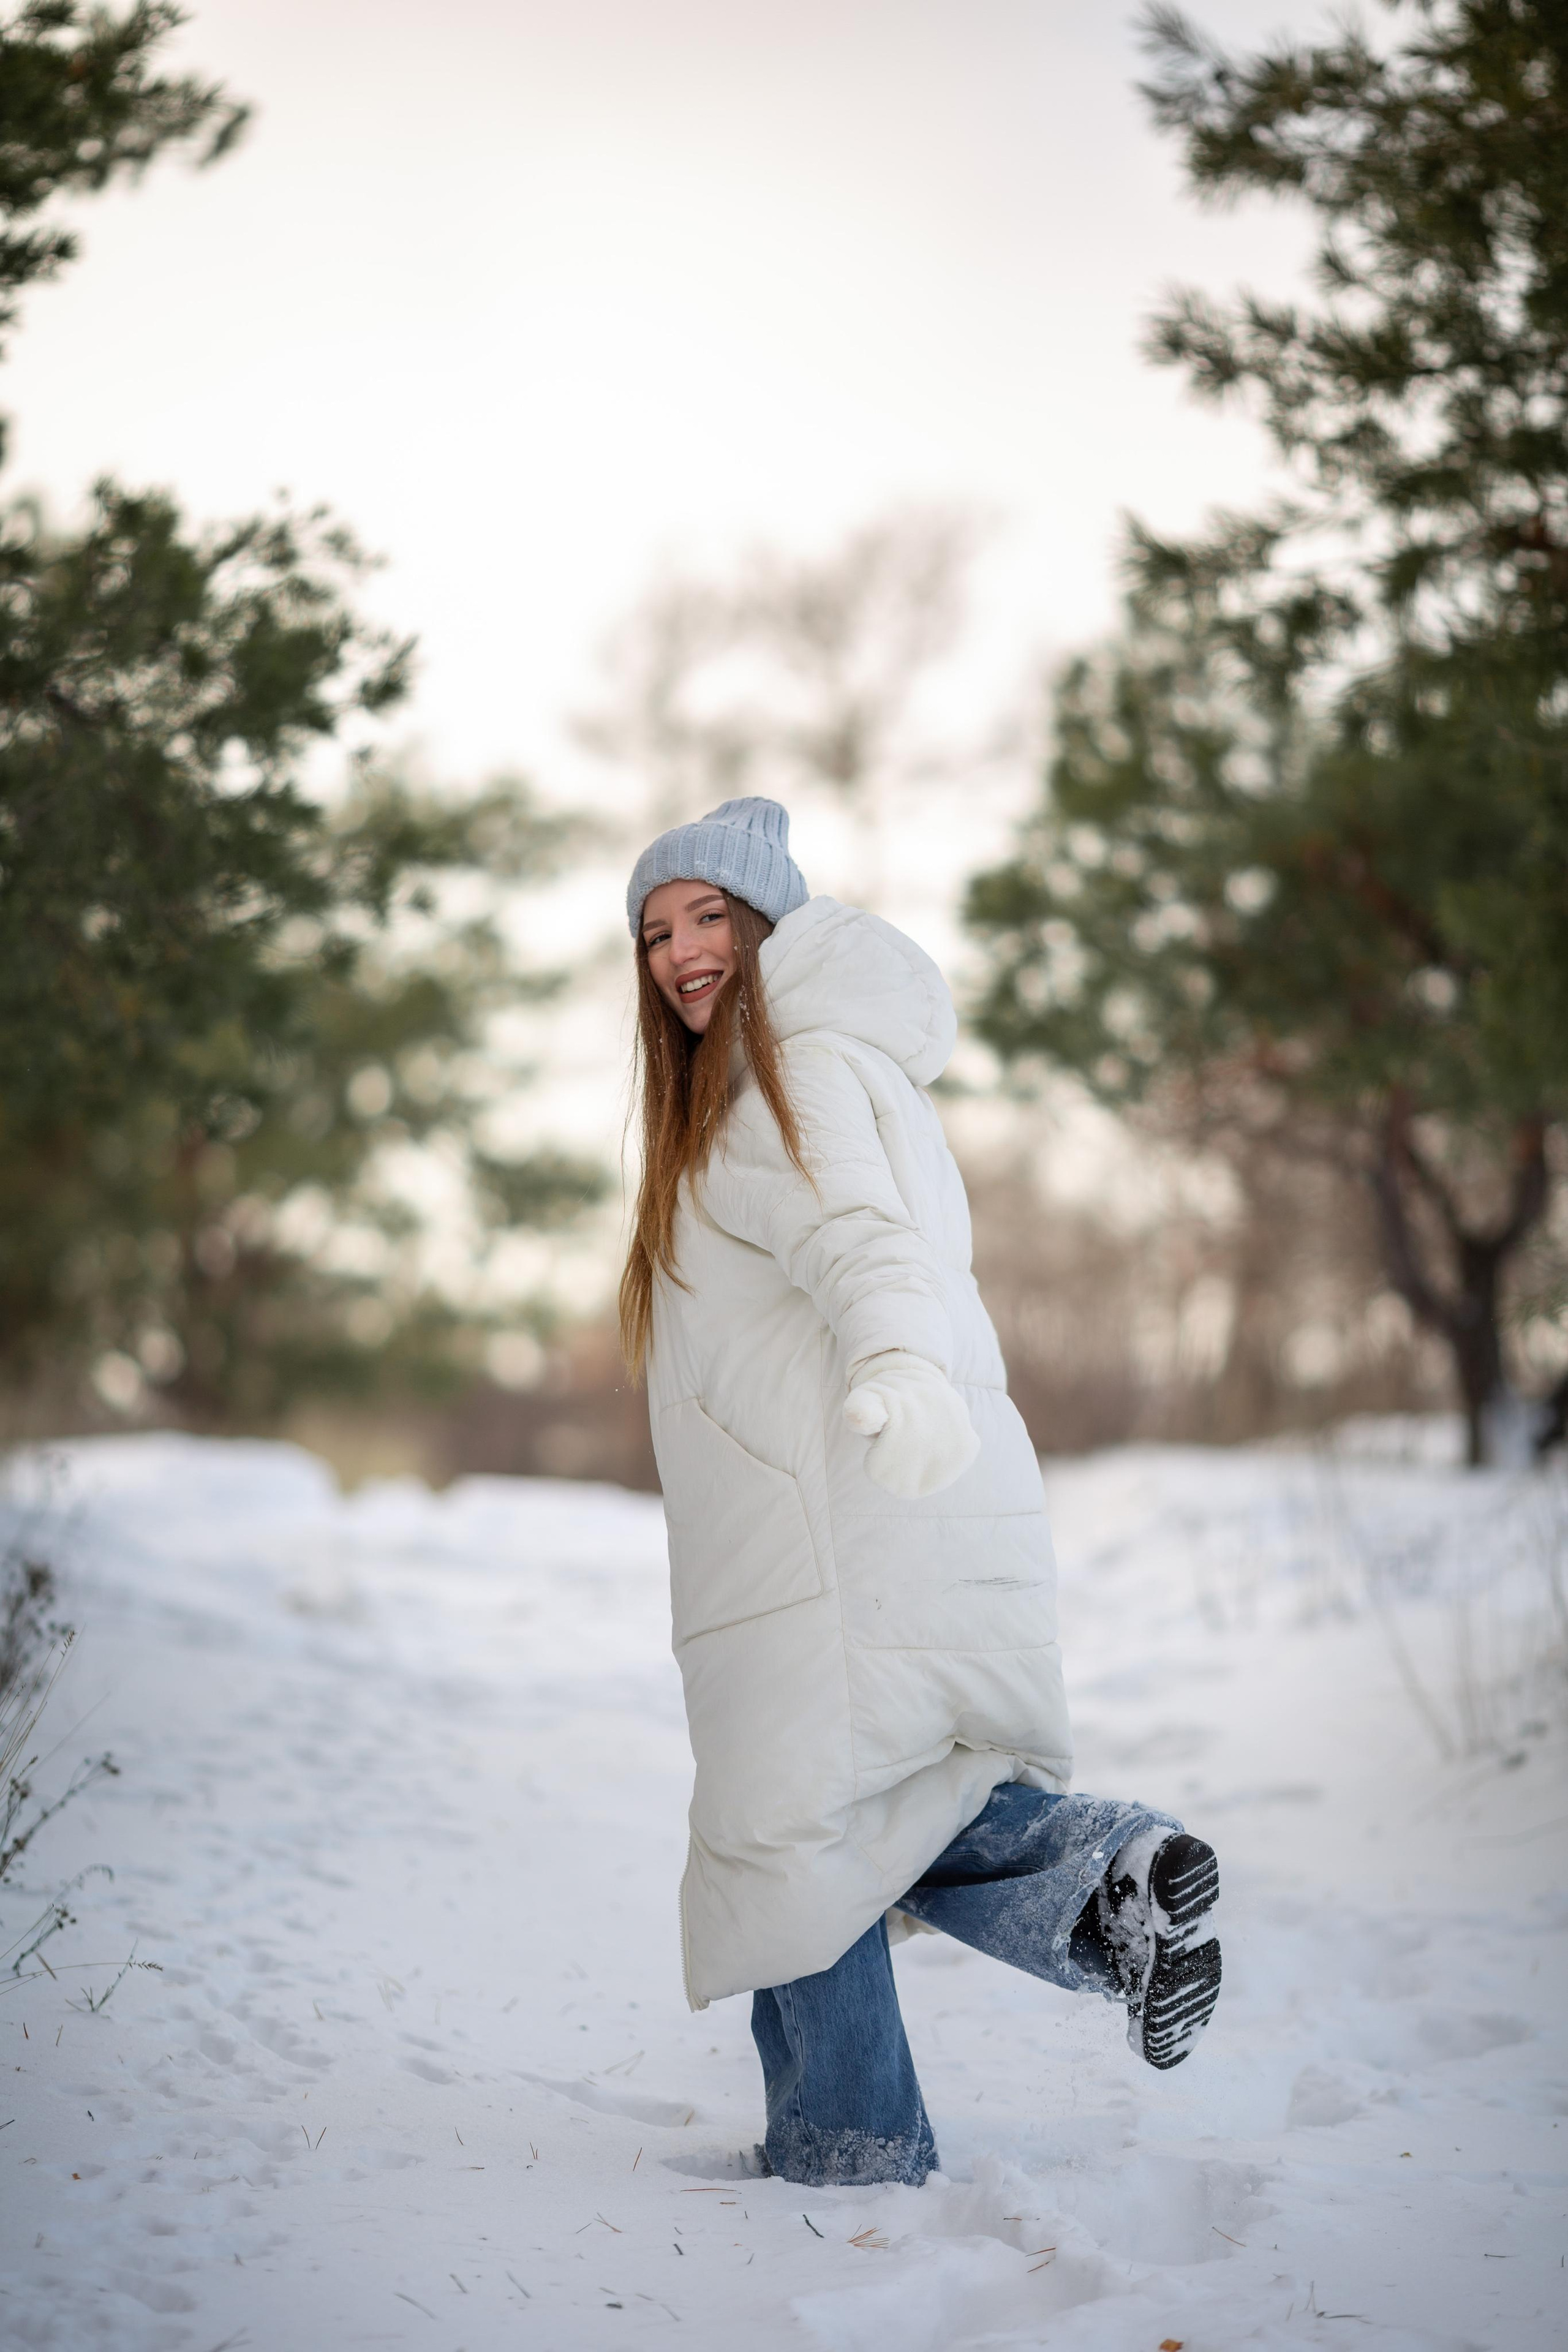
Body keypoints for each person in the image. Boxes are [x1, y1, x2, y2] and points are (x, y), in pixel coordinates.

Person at [621, 796, 1221, 2188]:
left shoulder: (775, 1081)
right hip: (893, 1491)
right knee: (861, 1807)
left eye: (709, 916)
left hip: (838, 1516)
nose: (681, 951)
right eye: (655, 932)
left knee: (789, 1836)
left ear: (770, 924)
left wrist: (895, 1368)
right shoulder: (829, 1065)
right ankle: (1109, 1887)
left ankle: (849, 2153)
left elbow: (867, 1250)